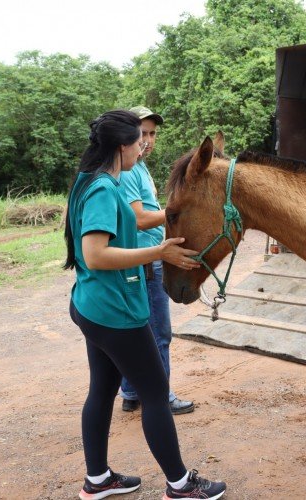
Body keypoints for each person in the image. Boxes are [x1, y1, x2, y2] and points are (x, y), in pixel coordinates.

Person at [64, 110, 226, 500]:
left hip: (92, 304)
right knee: (154, 394)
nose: (144, 145)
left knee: (102, 391)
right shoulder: (104, 189)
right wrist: (160, 252)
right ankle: (180, 484)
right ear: (122, 146)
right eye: (139, 139)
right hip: (115, 310)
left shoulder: (90, 180)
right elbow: (96, 254)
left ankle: (98, 479)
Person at [118, 106, 194, 416]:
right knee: (158, 333)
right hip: (147, 260)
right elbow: (137, 219)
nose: (148, 140)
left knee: (138, 329)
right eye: (142, 134)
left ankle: (132, 391)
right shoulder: (128, 171)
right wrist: (179, 212)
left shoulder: (138, 167)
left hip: (145, 259)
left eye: (152, 134)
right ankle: (160, 395)